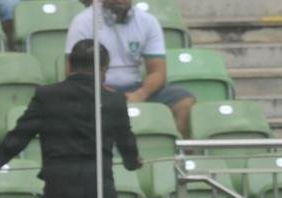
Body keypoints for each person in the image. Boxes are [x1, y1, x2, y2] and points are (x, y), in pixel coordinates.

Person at [0, 40, 141, 198]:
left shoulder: (46, 96)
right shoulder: (114, 100)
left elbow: (17, 139)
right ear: (103, 68)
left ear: (68, 64)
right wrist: (134, 162)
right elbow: (127, 146)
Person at [65, 0, 196, 137]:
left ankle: (173, 148)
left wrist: (141, 93)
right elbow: (72, 71)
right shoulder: (83, 21)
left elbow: (158, 72)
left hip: (135, 87)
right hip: (96, 88)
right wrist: (103, 92)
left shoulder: (148, 22)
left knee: (184, 102)